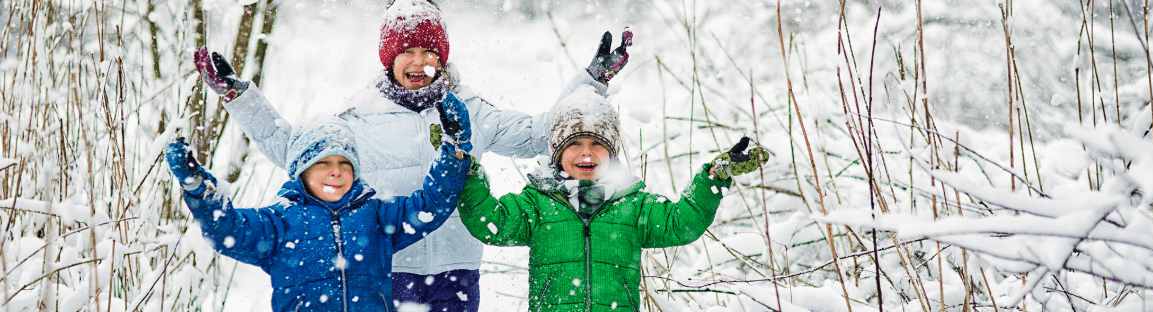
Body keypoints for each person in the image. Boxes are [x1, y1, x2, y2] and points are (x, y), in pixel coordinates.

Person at [192, 0, 633, 309]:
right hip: (393, 267)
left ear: (442, 57)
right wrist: (238, 96)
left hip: (459, 267)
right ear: (389, 59)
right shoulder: (357, 118)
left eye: (429, 52)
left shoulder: (471, 111)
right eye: (408, 51)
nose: (419, 62)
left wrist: (591, 82)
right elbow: (294, 149)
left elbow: (542, 134)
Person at [455, 87, 770, 311]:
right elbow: (492, 224)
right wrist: (468, 177)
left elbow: (681, 224)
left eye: (597, 143)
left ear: (612, 153)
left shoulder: (632, 206)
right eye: (574, 143)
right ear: (556, 152)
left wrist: (714, 177)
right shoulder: (537, 204)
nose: (587, 152)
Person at [162, 96, 473, 311]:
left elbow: (432, 205)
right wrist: (198, 188)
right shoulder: (280, 222)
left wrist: (455, 150)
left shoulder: (376, 215)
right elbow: (227, 230)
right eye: (323, 163)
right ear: (302, 169)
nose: (335, 171)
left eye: (344, 163)